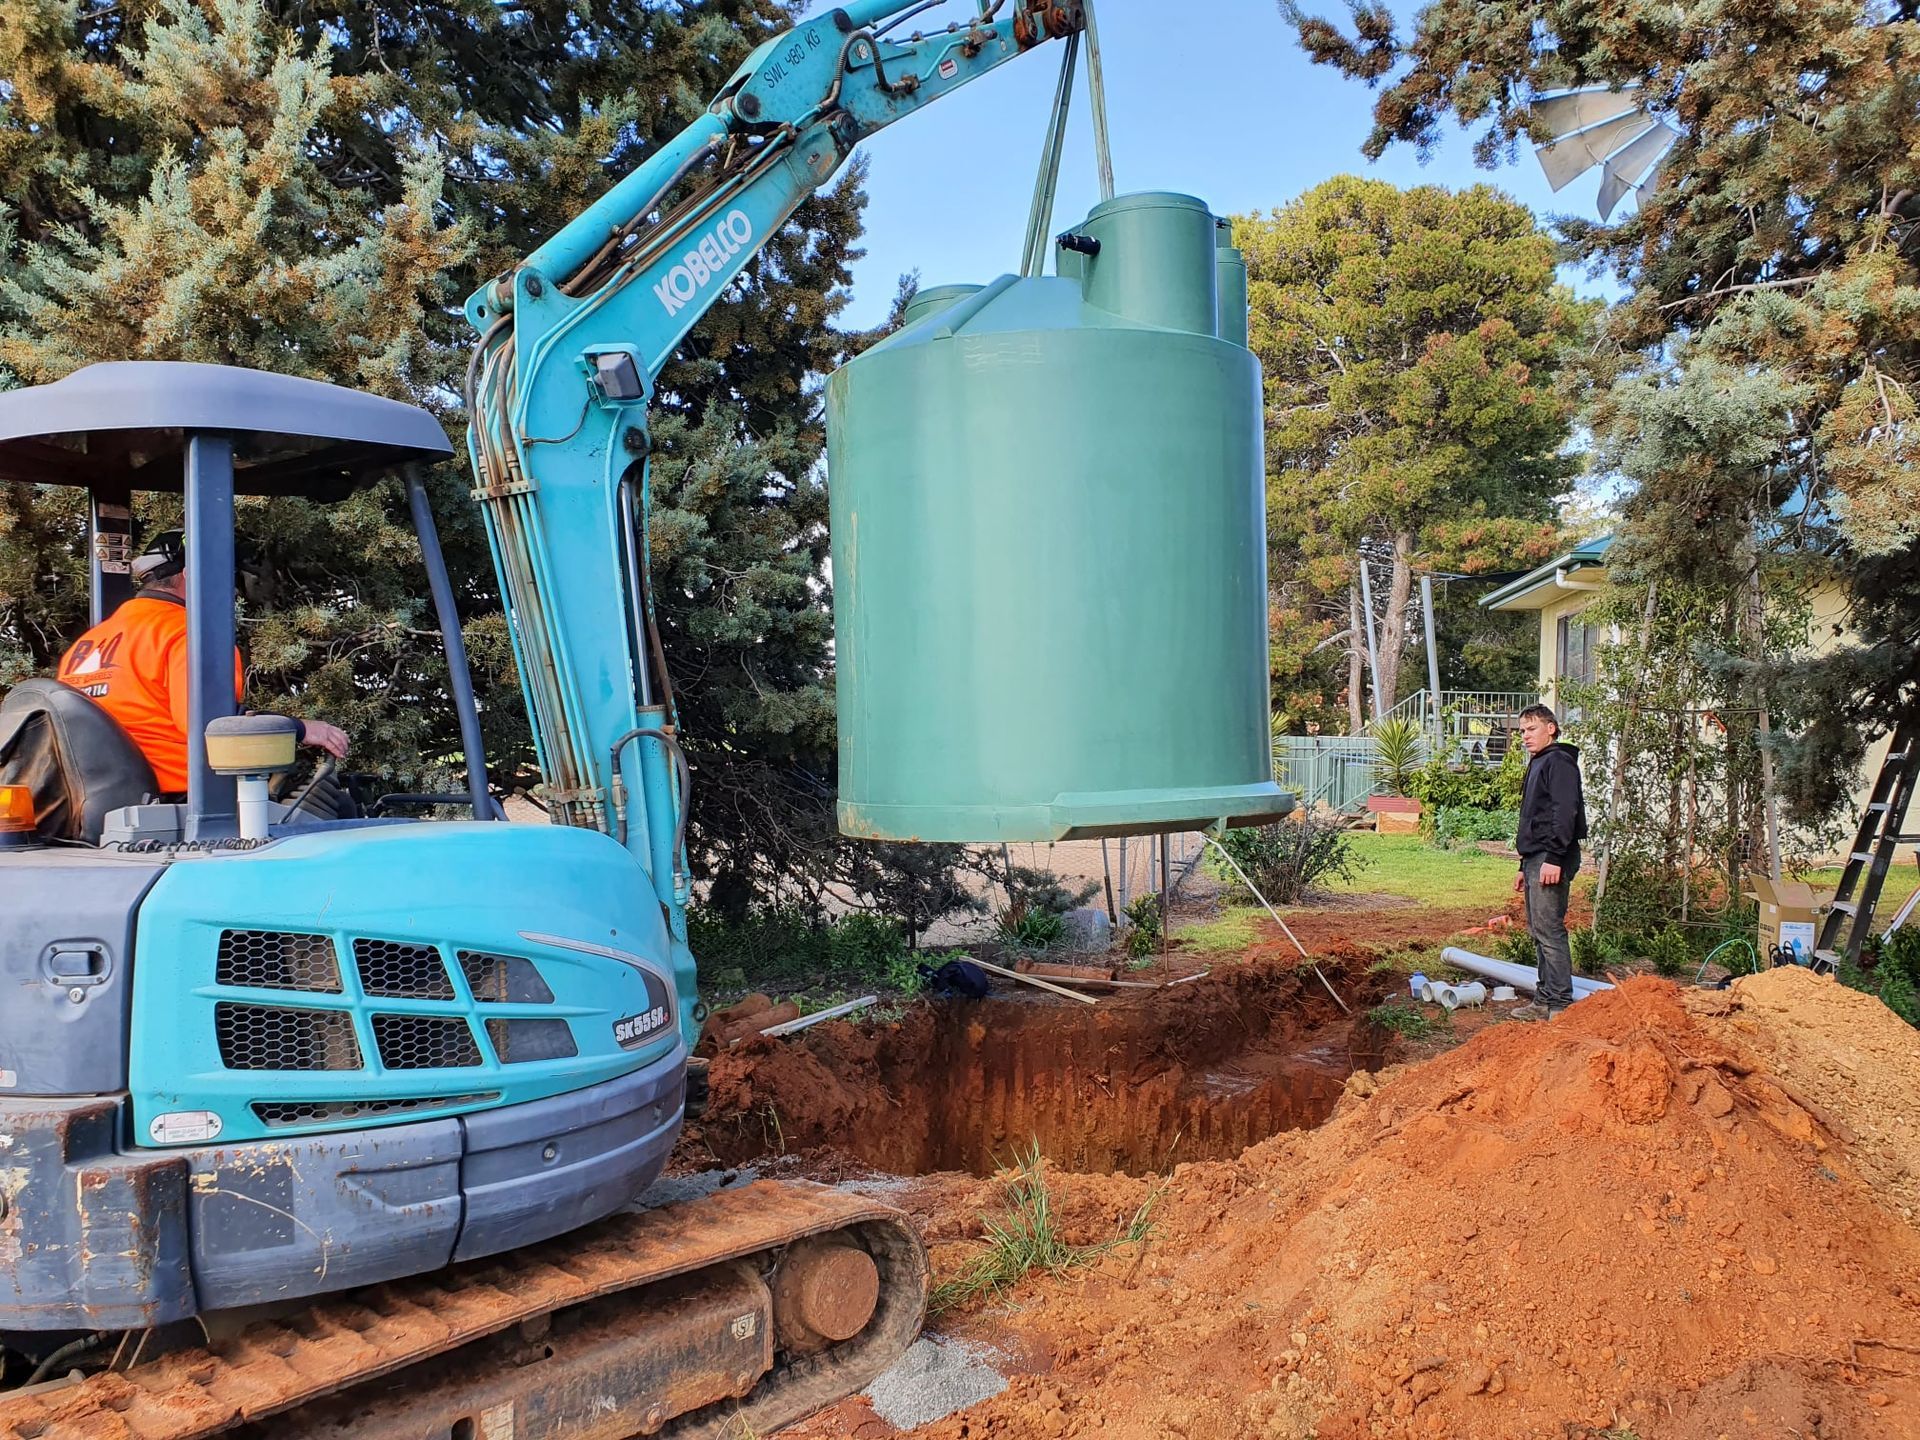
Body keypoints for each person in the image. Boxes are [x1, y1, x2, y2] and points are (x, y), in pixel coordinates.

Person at [56, 530, 349, 794]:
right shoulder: (189, 633)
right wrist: (300, 728)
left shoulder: (88, 643)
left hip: (97, 804)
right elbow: (211, 726)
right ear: (190, 575)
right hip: (181, 803)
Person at [1509, 703, 1586, 1020]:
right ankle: (1544, 1000)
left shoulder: (1559, 763)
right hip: (1536, 857)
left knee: (1550, 930)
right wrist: (1523, 865)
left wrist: (1553, 858)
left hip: (1551, 856)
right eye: (1523, 731)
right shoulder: (1539, 762)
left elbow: (1564, 812)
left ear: (1551, 728)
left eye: (1532, 729)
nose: (1525, 736)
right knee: (1539, 930)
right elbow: (1534, 819)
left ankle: (1560, 1005)